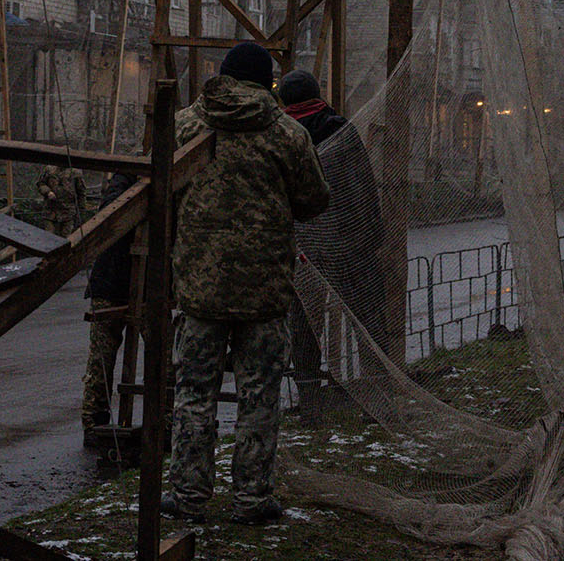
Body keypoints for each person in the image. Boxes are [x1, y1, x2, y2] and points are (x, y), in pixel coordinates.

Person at [164, 42, 331, 526]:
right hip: (265, 292)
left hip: (199, 290)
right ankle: (252, 498)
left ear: (224, 77)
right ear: (265, 83)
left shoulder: (185, 125)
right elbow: (315, 200)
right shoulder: (287, 134)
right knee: (260, 398)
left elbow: (160, 194)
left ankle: (189, 497)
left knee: (194, 394)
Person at [278, 70, 390, 371]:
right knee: (368, 319)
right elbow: (362, 186)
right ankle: (377, 386)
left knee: (304, 325)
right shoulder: (339, 129)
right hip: (349, 245)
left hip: (301, 252)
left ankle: (309, 400)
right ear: (317, 94)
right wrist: (371, 238)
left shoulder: (281, 134)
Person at [80, 171, 135, 436]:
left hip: (149, 284)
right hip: (111, 281)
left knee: (165, 353)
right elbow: (109, 209)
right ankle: (94, 419)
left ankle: (168, 414)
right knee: (101, 357)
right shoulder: (121, 184)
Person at [37, 164, 90, 236]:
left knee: (66, 239)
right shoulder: (49, 170)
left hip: (68, 213)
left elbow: (81, 194)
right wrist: (48, 192)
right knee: (49, 237)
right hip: (50, 211)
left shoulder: (75, 173)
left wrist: (81, 212)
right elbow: (40, 183)